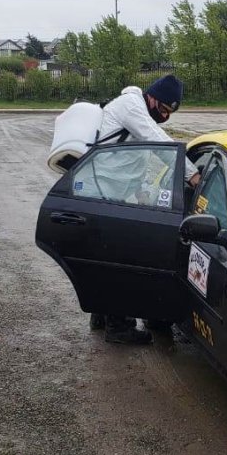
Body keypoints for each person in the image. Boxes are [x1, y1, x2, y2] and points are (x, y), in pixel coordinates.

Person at [89, 75, 201, 345]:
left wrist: (138, 189)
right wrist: (193, 175)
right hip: (103, 192)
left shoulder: (135, 107)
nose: (164, 116)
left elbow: (133, 153)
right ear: (152, 97)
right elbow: (158, 142)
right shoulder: (131, 105)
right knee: (121, 258)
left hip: (109, 190)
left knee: (106, 258)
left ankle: (101, 315)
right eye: (162, 109)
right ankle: (119, 326)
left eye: (169, 113)